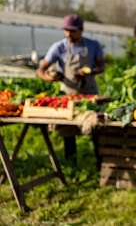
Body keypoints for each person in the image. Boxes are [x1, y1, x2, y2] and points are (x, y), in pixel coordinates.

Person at [37, 14, 105, 162]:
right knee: (68, 131)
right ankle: (71, 164)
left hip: (90, 93)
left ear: (81, 29)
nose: (69, 34)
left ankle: (100, 163)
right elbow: (41, 70)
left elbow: (102, 66)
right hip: (69, 94)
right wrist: (49, 77)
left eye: (72, 31)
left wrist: (91, 70)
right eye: (66, 30)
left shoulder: (93, 45)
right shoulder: (59, 47)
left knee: (95, 127)